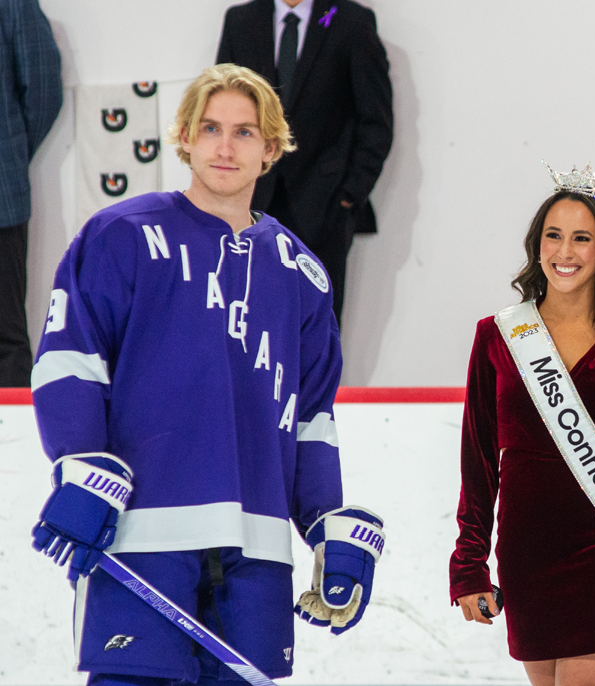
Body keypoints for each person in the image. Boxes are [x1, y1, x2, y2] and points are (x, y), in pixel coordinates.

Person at [28, 64, 384, 685]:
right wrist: (78, 462)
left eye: (245, 133)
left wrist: (325, 522)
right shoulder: (120, 236)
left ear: (270, 149)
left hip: (258, 551)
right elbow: (69, 360)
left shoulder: (304, 277)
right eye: (210, 128)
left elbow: (311, 419)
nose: (225, 146)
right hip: (140, 535)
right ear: (185, 137)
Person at [449, 165, 595, 686]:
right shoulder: (498, 337)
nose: (565, 252)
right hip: (526, 552)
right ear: (536, 244)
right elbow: (478, 460)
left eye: (582, 238)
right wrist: (468, 564)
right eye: (554, 235)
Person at [217, 0, 393, 328]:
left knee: (317, 326)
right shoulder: (242, 20)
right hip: (250, 203)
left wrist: (349, 194)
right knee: (247, 320)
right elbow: (220, 106)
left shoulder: (350, 21)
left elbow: (376, 120)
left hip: (325, 205)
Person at [0, 0, 61, 386]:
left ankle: (12, 445)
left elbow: (43, 91)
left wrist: (10, 156)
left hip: (1, 206)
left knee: (5, 338)